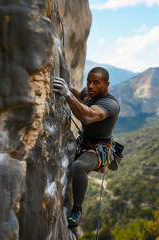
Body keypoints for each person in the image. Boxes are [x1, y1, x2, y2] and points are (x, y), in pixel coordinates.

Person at [52, 67, 120, 228]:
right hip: (84, 142)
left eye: (96, 83)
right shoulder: (91, 92)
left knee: (79, 166)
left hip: (98, 149)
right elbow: (79, 94)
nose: (90, 86)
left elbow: (88, 116)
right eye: (89, 81)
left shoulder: (110, 104)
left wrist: (67, 94)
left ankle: (77, 209)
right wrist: (69, 89)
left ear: (106, 84)